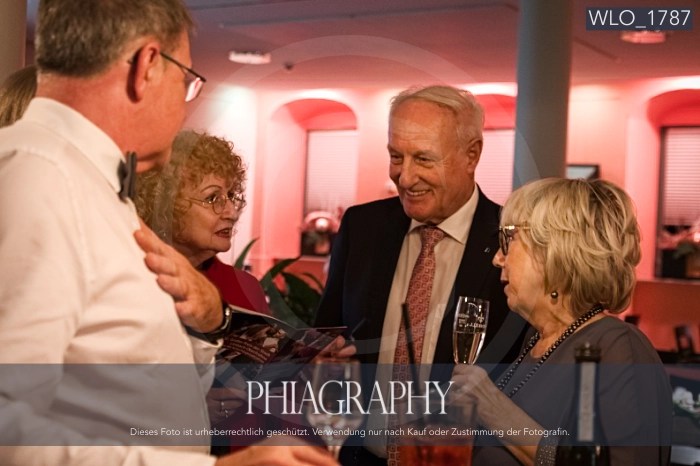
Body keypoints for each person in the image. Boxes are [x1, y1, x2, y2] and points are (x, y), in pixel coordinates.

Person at [0, 1, 334, 466]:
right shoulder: (42, 177)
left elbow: (113, 375)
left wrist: (212, 320)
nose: (185, 103)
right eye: (187, 80)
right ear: (147, 66)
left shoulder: (86, 181)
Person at [314, 84, 528, 464]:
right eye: (396, 156)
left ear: (471, 155)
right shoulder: (362, 228)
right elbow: (326, 334)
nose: (406, 177)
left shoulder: (512, 243)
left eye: (424, 159)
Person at [451, 178, 672, 466]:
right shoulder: (536, 340)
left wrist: (494, 410)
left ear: (555, 251)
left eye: (509, 239)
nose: (497, 258)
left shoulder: (619, 347)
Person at [136, 129, 269, 314]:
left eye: (231, 195)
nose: (231, 213)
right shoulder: (131, 280)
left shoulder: (245, 290)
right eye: (212, 198)